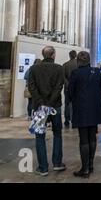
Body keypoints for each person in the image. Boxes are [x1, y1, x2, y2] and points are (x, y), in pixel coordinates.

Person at [28, 46, 66, 176]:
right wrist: (49, 103)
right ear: (53, 55)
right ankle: (57, 163)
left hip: (40, 107)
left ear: (43, 55)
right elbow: (59, 87)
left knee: (39, 136)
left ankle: (43, 167)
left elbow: (31, 87)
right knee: (57, 134)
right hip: (55, 105)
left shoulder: (33, 68)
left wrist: (41, 103)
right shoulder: (59, 68)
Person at [68, 51, 101, 178]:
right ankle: (90, 165)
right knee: (92, 137)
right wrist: (95, 99)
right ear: (89, 60)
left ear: (78, 61)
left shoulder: (75, 73)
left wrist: (76, 100)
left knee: (83, 139)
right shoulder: (96, 72)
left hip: (82, 109)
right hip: (94, 108)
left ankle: (85, 169)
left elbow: (70, 92)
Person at [63, 50, 78, 128]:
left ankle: (66, 120)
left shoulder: (65, 65)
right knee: (77, 104)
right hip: (77, 88)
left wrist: (68, 84)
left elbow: (63, 77)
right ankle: (75, 119)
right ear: (75, 55)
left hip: (67, 88)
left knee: (67, 104)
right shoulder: (78, 64)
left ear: (69, 55)